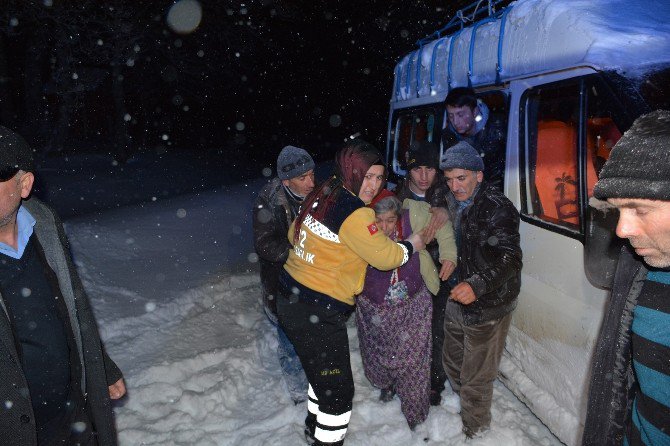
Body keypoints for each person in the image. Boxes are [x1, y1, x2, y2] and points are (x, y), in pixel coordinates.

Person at [276, 139, 425, 446]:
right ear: (352, 171)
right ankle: (326, 440)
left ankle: (311, 427)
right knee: (339, 396)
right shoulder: (355, 213)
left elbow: (294, 234)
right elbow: (385, 258)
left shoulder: (324, 192)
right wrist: (412, 246)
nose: (373, 184)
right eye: (367, 175)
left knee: (322, 377)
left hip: (290, 296)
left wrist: (323, 254)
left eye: (378, 177)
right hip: (317, 310)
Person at [0, 126, 126, 445]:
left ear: (24, 184)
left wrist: (103, 368)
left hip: (72, 417)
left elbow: (75, 305)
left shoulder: (44, 224)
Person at [582, 110, 670, 446]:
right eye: (618, 210)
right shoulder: (638, 267)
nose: (622, 229)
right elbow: (616, 388)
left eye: (640, 209)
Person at [439, 140, 522, 438]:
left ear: (479, 175)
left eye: (461, 178)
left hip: (489, 304)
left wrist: (477, 284)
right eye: (449, 180)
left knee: (477, 377)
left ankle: (476, 431)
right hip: (456, 296)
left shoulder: (498, 209)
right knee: (451, 360)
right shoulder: (450, 200)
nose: (455, 186)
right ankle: (466, 402)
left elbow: (511, 259)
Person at [356, 194, 457, 429]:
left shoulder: (413, 217)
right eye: (378, 221)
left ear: (398, 216)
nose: (384, 227)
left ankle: (415, 413)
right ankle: (387, 384)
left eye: (390, 220)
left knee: (414, 360)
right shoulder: (359, 226)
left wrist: (449, 255)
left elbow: (442, 227)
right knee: (378, 352)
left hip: (413, 305)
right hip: (374, 308)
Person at [252, 145, 314, 404]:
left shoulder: (318, 195)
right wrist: (300, 254)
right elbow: (265, 244)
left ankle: (316, 380)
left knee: (314, 335)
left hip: (314, 283)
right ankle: (298, 391)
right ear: (286, 181)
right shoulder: (269, 201)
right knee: (290, 341)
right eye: (303, 178)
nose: (311, 182)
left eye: (312, 174)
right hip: (282, 286)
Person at [395, 140, 454, 405]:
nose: (423, 176)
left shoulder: (446, 192)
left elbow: (466, 211)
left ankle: (433, 382)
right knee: (403, 329)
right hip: (405, 274)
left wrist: (447, 211)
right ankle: (399, 377)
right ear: (408, 170)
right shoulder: (396, 198)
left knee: (435, 330)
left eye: (430, 169)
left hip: (439, 276)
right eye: (417, 169)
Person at [441, 87, 506, 190]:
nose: (456, 122)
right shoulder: (448, 138)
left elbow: (502, 176)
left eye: (460, 114)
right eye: (451, 116)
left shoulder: (498, 130)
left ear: (475, 112)